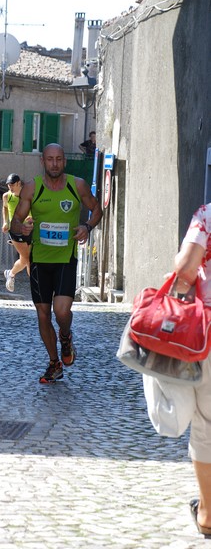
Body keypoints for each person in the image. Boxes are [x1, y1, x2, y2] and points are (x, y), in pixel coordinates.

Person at [10, 144, 103, 383]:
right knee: (43, 315)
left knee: (61, 312)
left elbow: (96, 209)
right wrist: (22, 227)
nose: (54, 164)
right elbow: (14, 223)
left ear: (64, 162)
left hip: (65, 259)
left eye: (59, 159)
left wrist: (87, 227)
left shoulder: (77, 184)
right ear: (43, 161)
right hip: (40, 260)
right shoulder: (32, 188)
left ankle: (65, 335)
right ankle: (54, 362)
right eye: (50, 159)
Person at [173, 203, 211, 537]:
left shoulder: (207, 216)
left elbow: (185, 268)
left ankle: (208, 513)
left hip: (209, 333)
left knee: (206, 423)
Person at [2, 173, 32, 293]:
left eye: (12, 184)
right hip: (15, 231)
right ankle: (36, 286)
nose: (10, 187)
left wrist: (31, 218)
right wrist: (5, 222)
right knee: (28, 258)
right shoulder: (6, 196)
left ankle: (11, 273)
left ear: (19, 183)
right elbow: (4, 208)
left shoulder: (28, 195)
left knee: (26, 259)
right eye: (9, 185)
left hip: (29, 229)